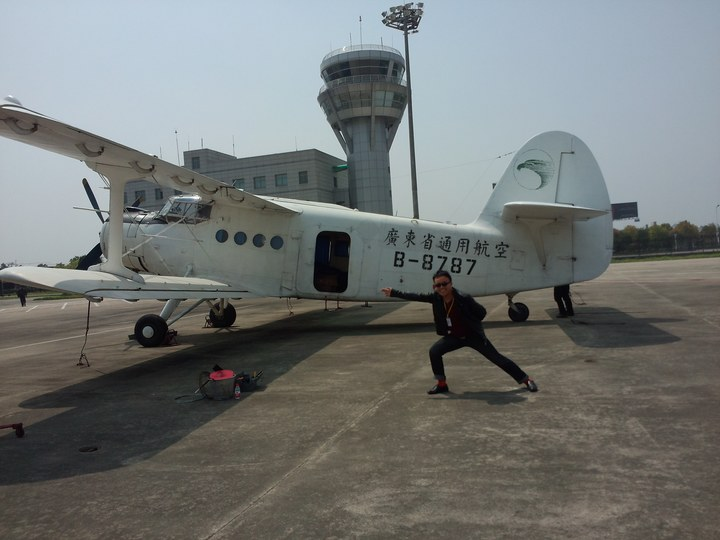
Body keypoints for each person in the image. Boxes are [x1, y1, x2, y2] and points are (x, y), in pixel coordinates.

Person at [381, 270, 538, 395]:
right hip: (454, 336)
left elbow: (481, 313)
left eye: (444, 284)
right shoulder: (436, 298)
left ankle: (526, 379)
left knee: (497, 358)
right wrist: (394, 292)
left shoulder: (464, 298)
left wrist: (471, 320)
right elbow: (416, 296)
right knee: (434, 351)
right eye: (437, 285)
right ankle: (442, 384)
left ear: (451, 283)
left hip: (473, 336)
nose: (441, 288)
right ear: (434, 287)